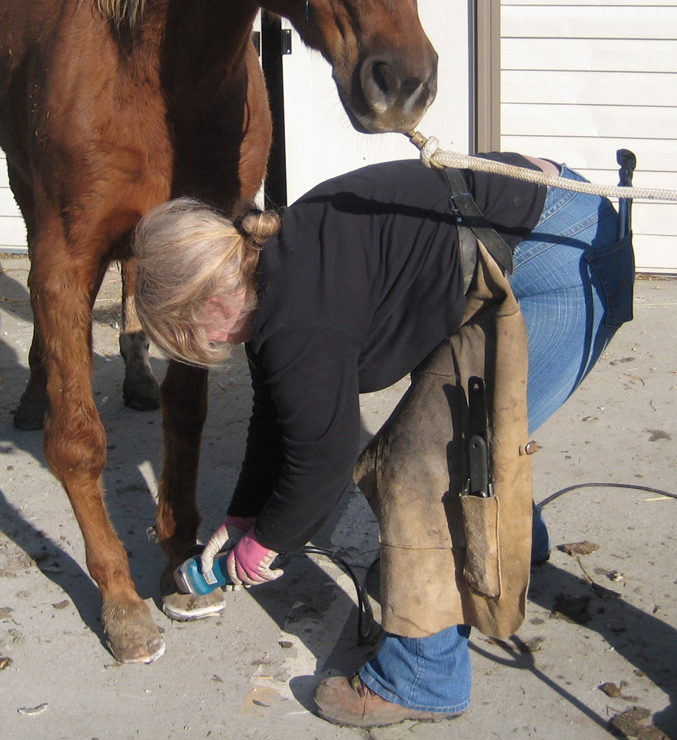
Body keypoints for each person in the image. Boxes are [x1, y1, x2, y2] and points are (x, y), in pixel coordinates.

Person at [133, 153, 634, 727]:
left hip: (566, 260)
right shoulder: (270, 267)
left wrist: (268, 544)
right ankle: (518, 538)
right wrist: (245, 515)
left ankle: (422, 677)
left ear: (211, 301)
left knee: (421, 467)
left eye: (182, 330)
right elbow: (278, 416)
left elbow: (325, 454)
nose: (196, 347)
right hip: (551, 218)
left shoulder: (297, 319)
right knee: (458, 423)